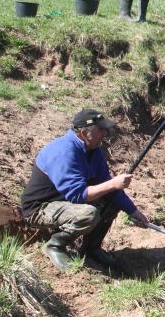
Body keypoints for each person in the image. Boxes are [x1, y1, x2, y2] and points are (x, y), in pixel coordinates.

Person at [21, 109, 150, 271]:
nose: (105, 133)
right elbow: (78, 195)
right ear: (83, 133)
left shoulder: (93, 150)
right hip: (40, 208)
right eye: (100, 129)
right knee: (88, 214)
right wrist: (113, 184)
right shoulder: (64, 152)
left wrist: (133, 211)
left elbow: (107, 185)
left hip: (63, 202)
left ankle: (91, 248)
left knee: (112, 201)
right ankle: (55, 246)